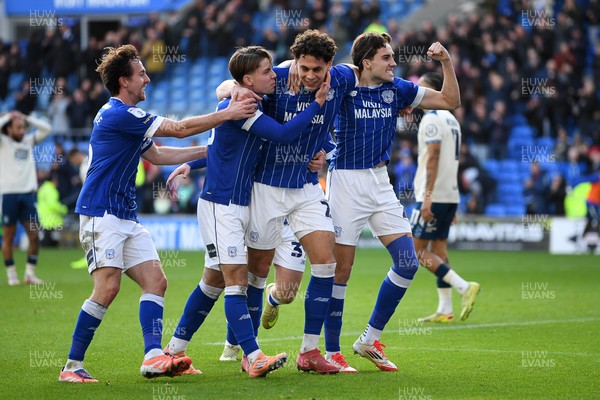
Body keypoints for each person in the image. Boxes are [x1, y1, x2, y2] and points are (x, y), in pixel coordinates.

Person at [58, 44, 257, 383]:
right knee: (107, 287)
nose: (148, 78)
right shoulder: (120, 114)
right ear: (124, 81)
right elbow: (178, 129)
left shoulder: (128, 120)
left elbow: (160, 156)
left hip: (124, 216)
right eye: (141, 74)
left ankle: (153, 356)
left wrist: (215, 152)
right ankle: (72, 367)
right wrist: (227, 114)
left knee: (156, 281)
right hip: (100, 213)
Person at [162, 45, 329, 378]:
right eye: (268, 71)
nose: (274, 76)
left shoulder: (253, 100)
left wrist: (189, 164)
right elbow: (282, 135)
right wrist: (317, 105)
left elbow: (221, 148)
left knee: (213, 283)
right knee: (237, 282)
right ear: (249, 79)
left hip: (239, 203)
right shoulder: (241, 105)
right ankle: (251, 356)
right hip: (220, 203)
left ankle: (174, 351)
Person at [217, 29, 358, 374]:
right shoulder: (277, 78)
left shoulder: (341, 79)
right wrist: (234, 87)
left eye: (318, 69)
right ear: (296, 62)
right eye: (304, 67)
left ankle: (310, 352)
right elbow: (224, 88)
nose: (310, 75)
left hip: (307, 187)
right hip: (267, 187)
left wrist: (326, 151)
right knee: (256, 273)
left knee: (327, 264)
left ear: (330, 66)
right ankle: (243, 347)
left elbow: (360, 71)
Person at [323, 33, 461, 372]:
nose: (393, 62)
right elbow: (314, 73)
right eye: (386, 57)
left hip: (380, 182)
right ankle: (330, 352)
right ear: (367, 61)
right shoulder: (344, 81)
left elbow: (449, 100)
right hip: (346, 181)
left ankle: (369, 339)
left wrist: (445, 62)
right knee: (341, 270)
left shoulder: (397, 88)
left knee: (408, 261)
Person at [410, 72, 480, 324]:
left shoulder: (431, 119)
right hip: (449, 195)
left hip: (433, 195)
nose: (417, 94)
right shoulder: (451, 119)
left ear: (433, 91)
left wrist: (427, 199)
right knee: (438, 249)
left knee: (415, 253)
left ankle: (464, 287)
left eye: (421, 89)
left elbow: (435, 158)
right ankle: (445, 308)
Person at [0, 110, 51, 286]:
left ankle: (29, 274)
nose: (22, 131)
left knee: (35, 234)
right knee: (8, 236)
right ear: (8, 129)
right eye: (18, 127)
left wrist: (26, 118)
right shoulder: (3, 143)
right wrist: (8, 117)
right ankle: (11, 274)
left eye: (23, 128)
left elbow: (47, 129)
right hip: (9, 195)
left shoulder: (28, 142)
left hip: (28, 194)